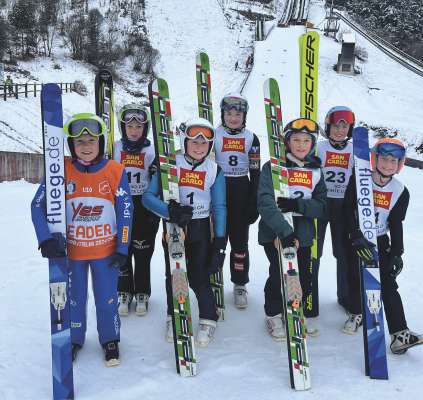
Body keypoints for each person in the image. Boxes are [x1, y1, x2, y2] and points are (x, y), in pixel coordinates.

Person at [31, 113, 133, 366]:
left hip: (106, 253)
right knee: (73, 300)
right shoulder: (61, 169)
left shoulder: (114, 170)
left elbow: (126, 211)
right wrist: (45, 238)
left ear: (100, 142)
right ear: (71, 146)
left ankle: (110, 339)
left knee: (107, 299)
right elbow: (36, 205)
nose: (85, 147)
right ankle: (74, 339)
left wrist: (122, 247)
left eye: (90, 141)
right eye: (79, 142)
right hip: (72, 253)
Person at [143, 117, 226, 347]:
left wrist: (220, 242)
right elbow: (147, 198)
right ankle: (174, 314)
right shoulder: (170, 164)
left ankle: (209, 317)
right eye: (194, 142)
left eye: (204, 144)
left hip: (200, 227)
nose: (199, 148)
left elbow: (219, 207)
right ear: (184, 141)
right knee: (174, 275)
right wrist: (169, 210)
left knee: (199, 276)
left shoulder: (214, 169)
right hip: (174, 227)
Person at [342, 137, 423, 354]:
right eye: (385, 159)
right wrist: (355, 234)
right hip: (357, 238)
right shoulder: (360, 179)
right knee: (355, 276)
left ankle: (399, 334)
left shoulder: (400, 191)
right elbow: (347, 210)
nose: (388, 165)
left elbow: (396, 224)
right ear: (375, 159)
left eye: (394, 161)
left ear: (400, 165)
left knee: (387, 284)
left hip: (379, 239)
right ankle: (356, 312)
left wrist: (397, 253)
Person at [257, 118, 327, 340]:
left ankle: (295, 312)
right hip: (276, 232)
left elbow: (322, 206)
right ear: (287, 142)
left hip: (304, 234)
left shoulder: (316, 170)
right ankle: (273, 314)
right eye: (296, 140)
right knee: (279, 274)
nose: (301, 145)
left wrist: (298, 205)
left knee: (303, 278)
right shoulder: (273, 167)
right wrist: (284, 231)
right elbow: (265, 203)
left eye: (307, 140)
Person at [214, 92, 260, 309]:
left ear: (244, 116)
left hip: (241, 187)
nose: (233, 118)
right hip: (219, 188)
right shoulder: (213, 135)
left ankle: (240, 284)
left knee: (240, 243)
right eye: (229, 113)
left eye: (237, 114)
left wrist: (254, 201)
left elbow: (256, 172)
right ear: (223, 114)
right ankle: (213, 278)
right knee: (217, 239)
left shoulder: (252, 138)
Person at [113, 104, 160, 317]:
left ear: (145, 128)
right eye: (129, 126)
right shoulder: (114, 147)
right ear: (123, 127)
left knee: (143, 251)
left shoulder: (152, 149)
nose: (134, 130)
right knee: (123, 249)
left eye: (138, 126)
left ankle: (142, 292)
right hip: (121, 203)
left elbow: (159, 179)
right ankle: (124, 291)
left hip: (144, 205)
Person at [316, 106, 355, 312]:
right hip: (321, 203)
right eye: (335, 126)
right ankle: (310, 294)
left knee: (343, 252)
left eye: (344, 126)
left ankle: (345, 296)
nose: (340, 130)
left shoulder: (355, 150)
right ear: (327, 127)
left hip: (343, 205)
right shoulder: (318, 147)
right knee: (315, 251)